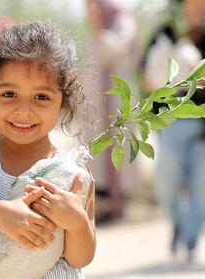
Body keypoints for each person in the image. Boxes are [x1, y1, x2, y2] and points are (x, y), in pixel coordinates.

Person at [0, 21, 96, 278]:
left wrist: (77, 222)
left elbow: (79, 257)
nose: (24, 110)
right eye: (9, 94)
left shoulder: (73, 175)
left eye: (41, 97)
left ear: (62, 104)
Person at [141, 0, 205, 261]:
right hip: (173, 120)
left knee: (203, 185)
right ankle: (179, 223)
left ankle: (192, 237)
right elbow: (146, 71)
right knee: (167, 182)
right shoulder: (167, 30)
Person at [85, 0, 138, 220]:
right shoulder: (99, 29)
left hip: (119, 99)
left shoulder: (124, 24)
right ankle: (104, 205)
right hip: (98, 103)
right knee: (97, 153)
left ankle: (117, 204)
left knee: (119, 148)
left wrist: (98, 28)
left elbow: (111, 52)